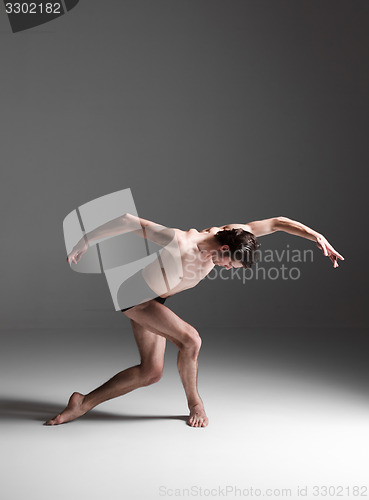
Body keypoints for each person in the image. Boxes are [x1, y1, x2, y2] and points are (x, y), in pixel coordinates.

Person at [45, 214, 344, 427]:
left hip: (154, 300)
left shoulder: (235, 233)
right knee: (191, 340)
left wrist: (316, 236)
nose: (228, 270)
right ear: (224, 250)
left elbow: (278, 223)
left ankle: (81, 402)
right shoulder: (180, 241)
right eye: (230, 265)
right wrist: (85, 240)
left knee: (151, 372)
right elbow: (127, 220)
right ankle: (194, 403)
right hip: (134, 298)